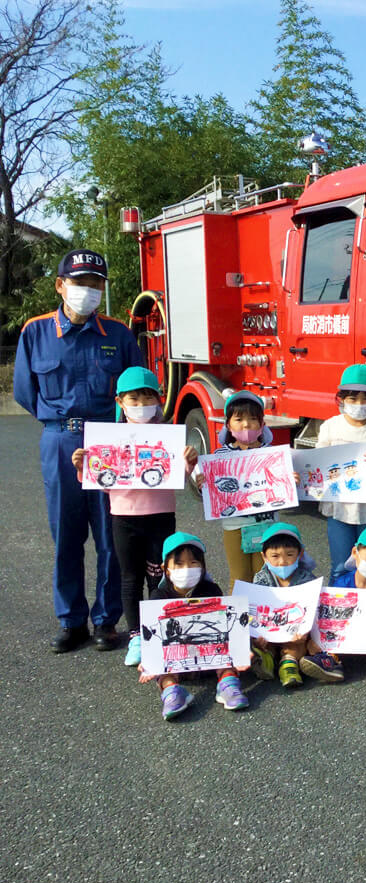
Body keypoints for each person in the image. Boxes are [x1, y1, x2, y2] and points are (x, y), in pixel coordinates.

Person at [13, 248, 142, 653]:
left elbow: (137, 392)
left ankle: (106, 620)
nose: (87, 290)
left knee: (110, 534)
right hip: (60, 440)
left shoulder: (118, 335)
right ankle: (71, 620)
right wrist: (61, 425)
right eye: (79, 282)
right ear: (60, 285)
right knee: (65, 535)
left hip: (110, 441)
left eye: (95, 284)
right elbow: (24, 392)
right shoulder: (35, 332)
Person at [70, 366, 198, 666]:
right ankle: (137, 637)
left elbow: (183, 473)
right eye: (134, 400)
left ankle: (159, 632)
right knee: (130, 579)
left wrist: (190, 461)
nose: (141, 406)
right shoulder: (109, 438)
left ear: (158, 399)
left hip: (161, 516)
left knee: (159, 576)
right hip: (123, 517)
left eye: (147, 398)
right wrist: (83, 467)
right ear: (120, 401)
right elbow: (103, 481)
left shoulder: (169, 436)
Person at [140, 532, 249, 720]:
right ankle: (173, 692)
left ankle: (228, 685)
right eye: (179, 564)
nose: (187, 569)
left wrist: (243, 649)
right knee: (164, 671)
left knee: (227, 659)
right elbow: (153, 634)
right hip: (178, 661)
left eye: (193, 563)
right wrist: (149, 660)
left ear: (203, 566)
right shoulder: (159, 596)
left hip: (211, 655)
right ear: (166, 568)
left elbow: (228, 626)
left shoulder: (211, 591)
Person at [299, 523, 366, 687]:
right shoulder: (343, 582)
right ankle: (332, 660)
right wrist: (317, 638)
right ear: (355, 552)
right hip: (351, 634)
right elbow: (331, 615)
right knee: (334, 625)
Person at [313, 364, 366, 582]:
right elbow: (318, 463)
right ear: (341, 400)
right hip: (339, 507)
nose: (359, 404)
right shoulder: (330, 426)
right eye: (352, 399)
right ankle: (337, 609)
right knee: (340, 566)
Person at [196, 390, 275, 592]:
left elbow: (280, 485)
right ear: (228, 425)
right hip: (234, 525)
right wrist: (204, 483)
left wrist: (290, 481)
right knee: (239, 578)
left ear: (262, 425)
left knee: (264, 576)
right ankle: (239, 619)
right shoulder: (220, 455)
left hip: (265, 524)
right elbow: (213, 491)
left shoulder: (271, 454)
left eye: (253, 419)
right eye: (239, 419)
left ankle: (262, 618)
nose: (246, 425)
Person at [251, 522, 319, 688]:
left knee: (297, 644)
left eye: (289, 554)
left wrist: (306, 632)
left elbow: (314, 610)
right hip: (270, 632)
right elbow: (255, 609)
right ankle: (267, 660)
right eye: (275, 556)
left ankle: (288, 664)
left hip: (295, 633)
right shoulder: (260, 579)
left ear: (300, 554)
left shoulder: (308, 580)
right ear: (264, 557)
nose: (282, 562)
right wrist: (258, 633)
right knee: (259, 643)